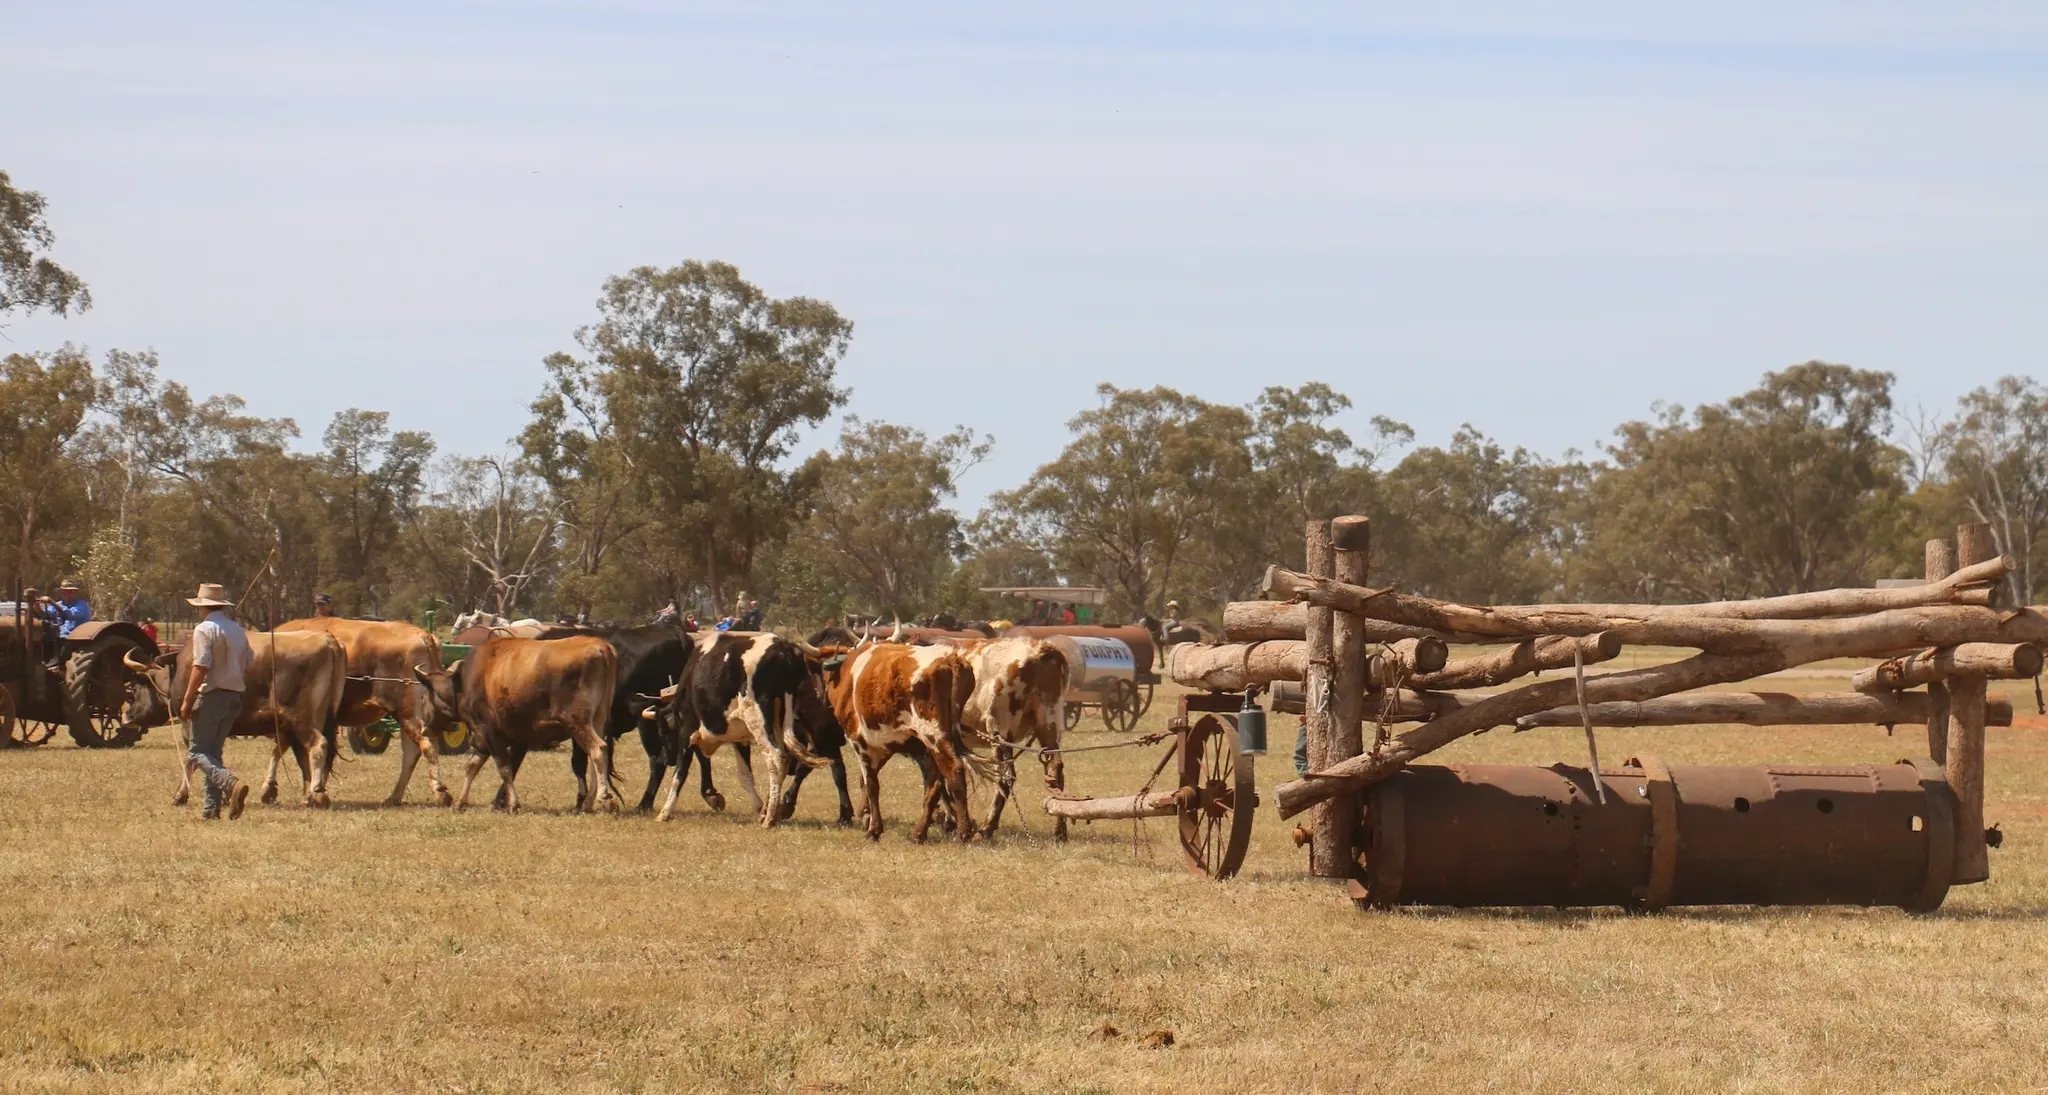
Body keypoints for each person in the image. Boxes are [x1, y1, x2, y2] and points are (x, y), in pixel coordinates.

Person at [181, 583, 254, 821]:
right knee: (213, 753)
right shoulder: (237, 629)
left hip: (211, 696)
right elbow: (249, 659)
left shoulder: (204, 629)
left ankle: (231, 784)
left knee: (197, 752)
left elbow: (201, 666)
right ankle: (210, 811)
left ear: (202, 607)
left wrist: (188, 699)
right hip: (234, 697)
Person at [38, 579, 92, 671]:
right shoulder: (59, 604)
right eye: (65, 592)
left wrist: (51, 602)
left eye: (70, 592)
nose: (67, 594)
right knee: (44, 641)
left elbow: (69, 614)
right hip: (59, 637)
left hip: (76, 639)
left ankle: (60, 668)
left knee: (62, 654)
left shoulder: (81, 605)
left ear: (74, 593)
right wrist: (36, 607)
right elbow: (47, 615)